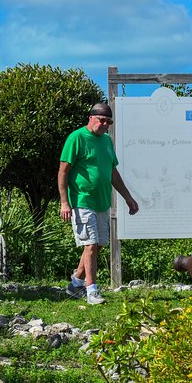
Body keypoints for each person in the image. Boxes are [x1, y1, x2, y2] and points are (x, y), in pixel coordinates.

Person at [58, 102, 139, 305]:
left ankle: (76, 282)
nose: (104, 124)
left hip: (102, 202)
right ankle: (91, 290)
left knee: (97, 245)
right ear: (91, 118)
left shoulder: (106, 141)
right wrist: (64, 202)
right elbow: (63, 171)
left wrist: (128, 197)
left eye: (108, 122)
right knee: (91, 244)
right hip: (82, 200)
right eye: (101, 120)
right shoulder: (76, 138)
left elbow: (112, 172)